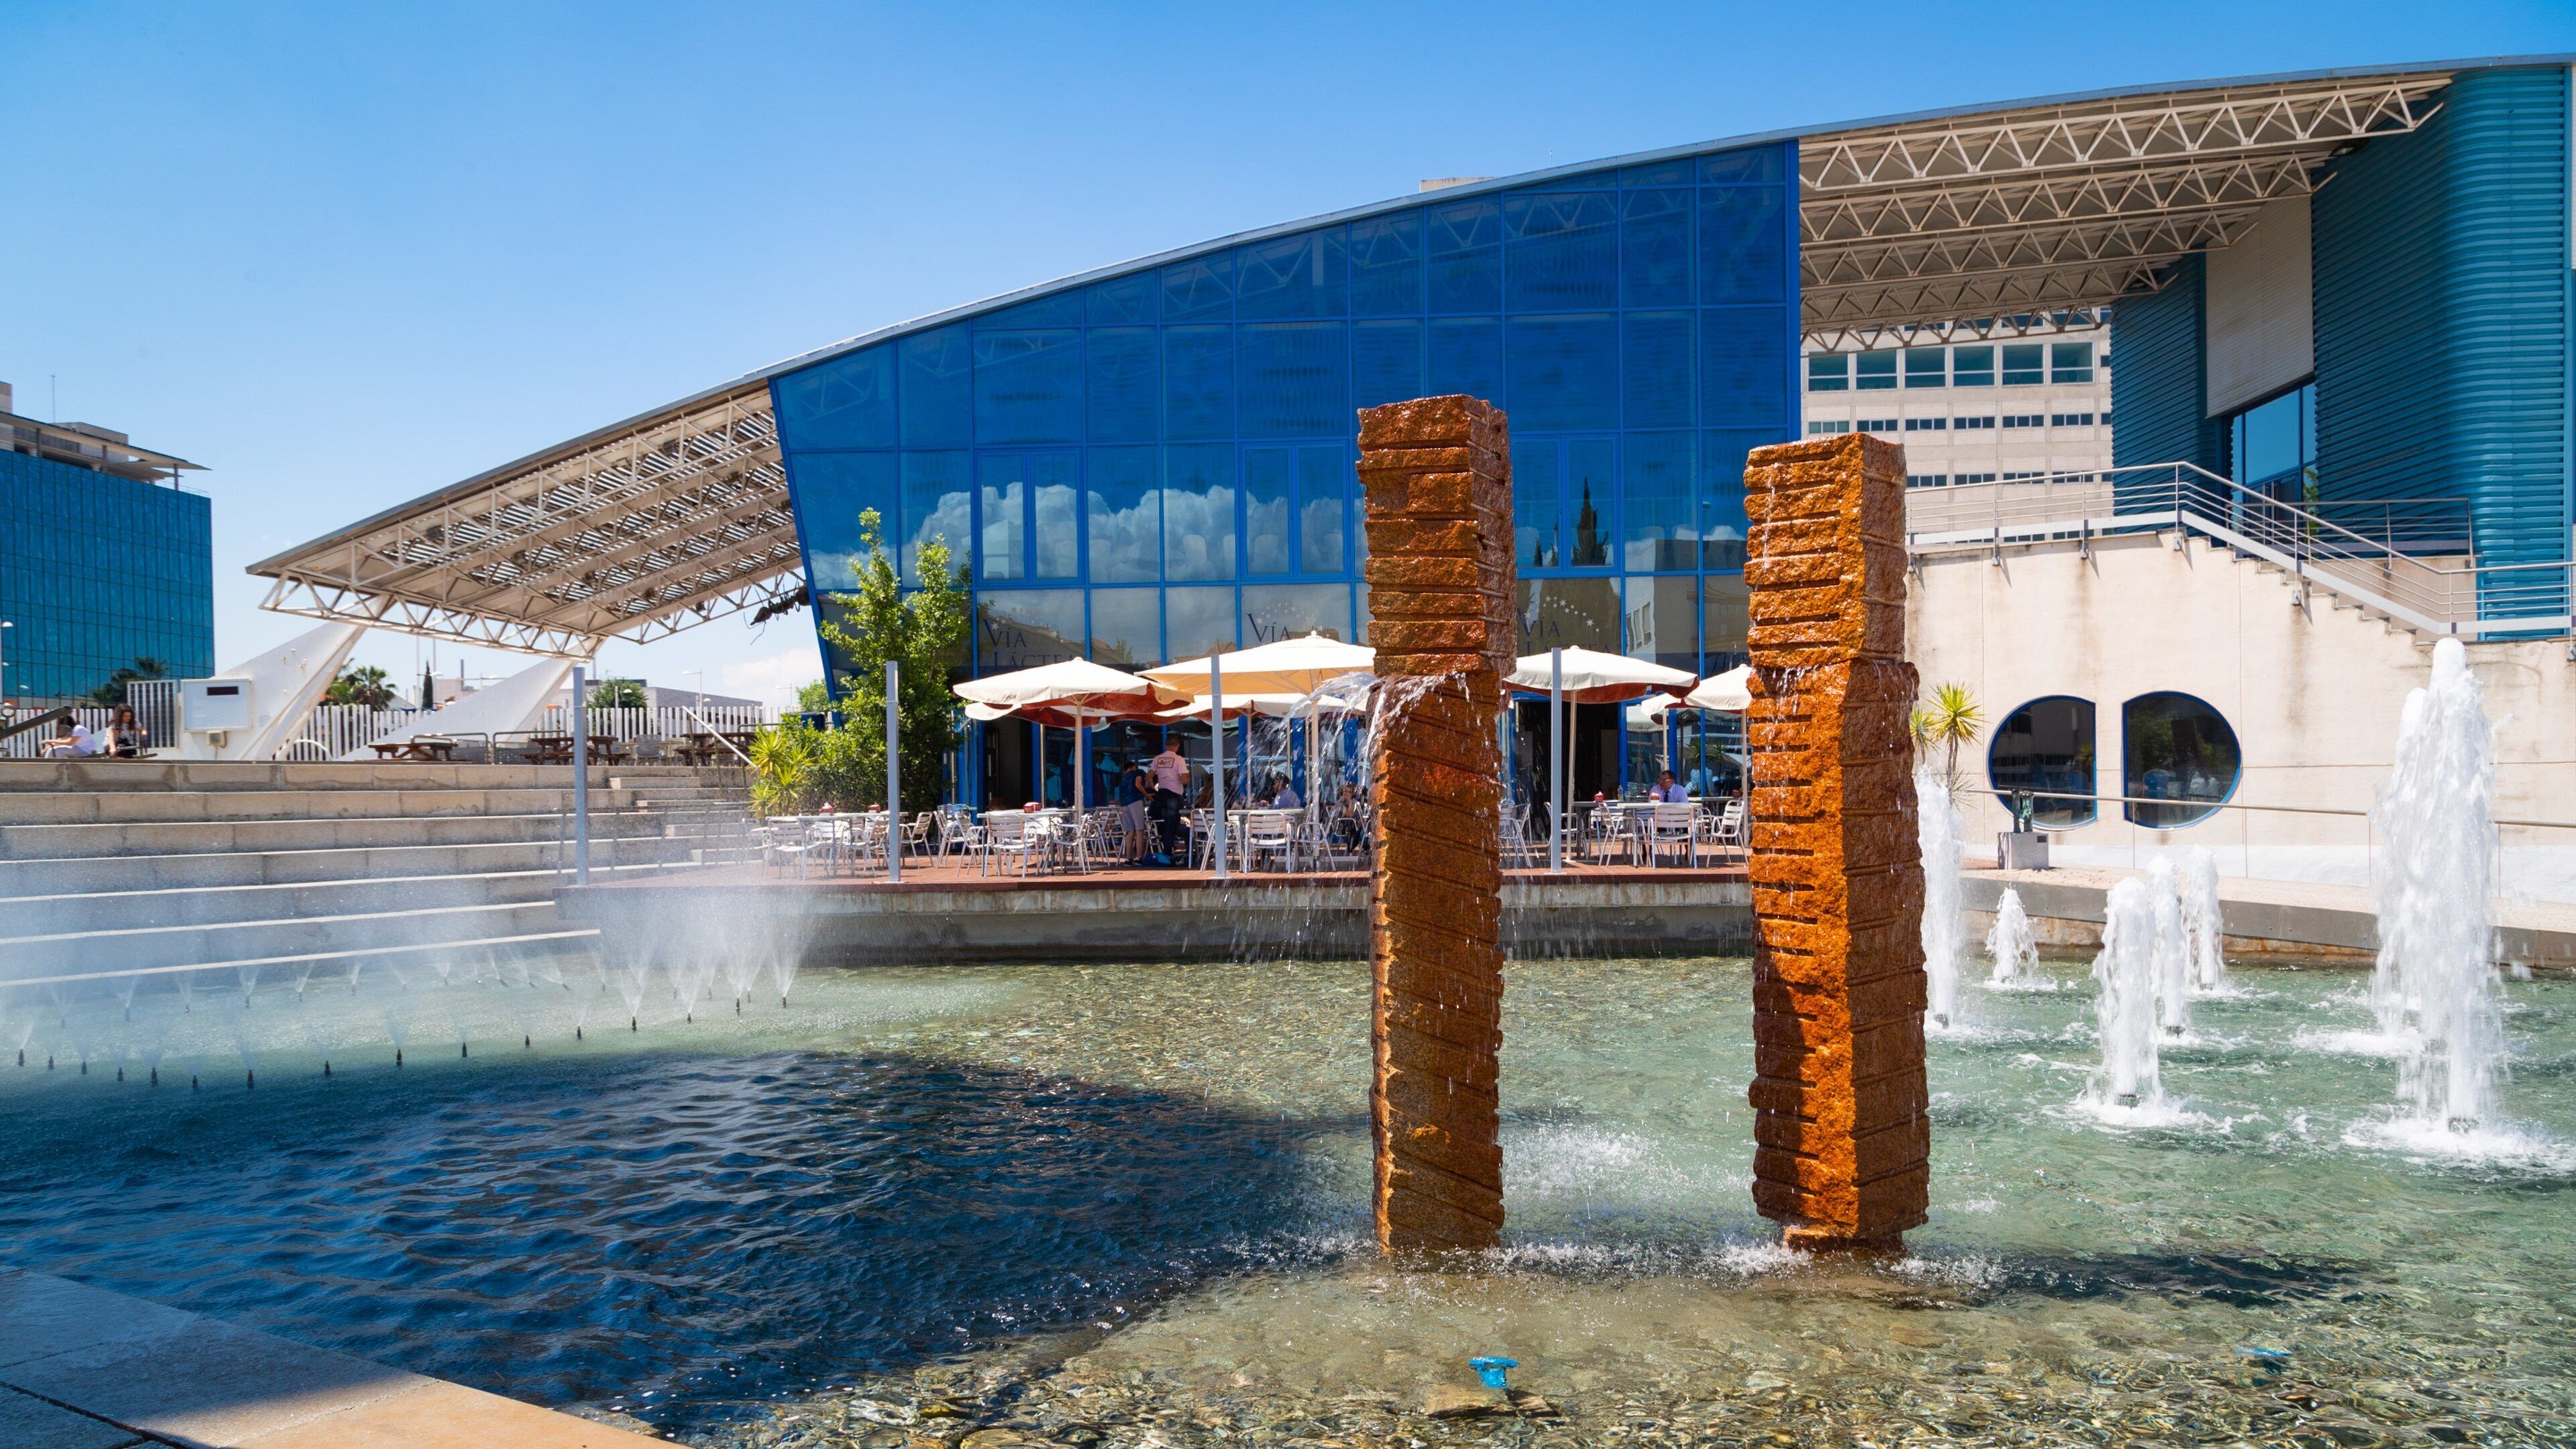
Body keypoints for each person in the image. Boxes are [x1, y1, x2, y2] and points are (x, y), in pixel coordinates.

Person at [1146, 739, 1189, 865]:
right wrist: (1187, 779)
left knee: (1164, 824)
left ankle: (1165, 851)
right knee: (1172, 825)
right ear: (1178, 746)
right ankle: (1168, 855)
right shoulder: (1179, 759)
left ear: (1166, 745)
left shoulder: (1158, 758)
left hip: (1161, 795)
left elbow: (1148, 777)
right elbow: (1183, 778)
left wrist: (1153, 790)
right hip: (1174, 795)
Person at [1117, 761, 1150, 860]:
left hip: (1125, 804)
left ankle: (1128, 858)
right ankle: (1139, 857)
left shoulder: (1124, 779)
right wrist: (1147, 795)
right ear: (1134, 767)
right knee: (1140, 829)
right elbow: (1138, 784)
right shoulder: (1138, 772)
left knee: (1130, 831)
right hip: (1135, 800)